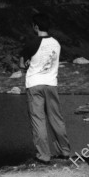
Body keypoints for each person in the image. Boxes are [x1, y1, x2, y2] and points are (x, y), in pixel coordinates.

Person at [19, 13, 71, 165]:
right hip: (51, 83)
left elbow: (22, 64)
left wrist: (27, 64)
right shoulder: (56, 43)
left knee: (38, 120)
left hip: (34, 84)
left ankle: (44, 155)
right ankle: (65, 151)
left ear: (35, 26)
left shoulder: (31, 43)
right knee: (56, 118)